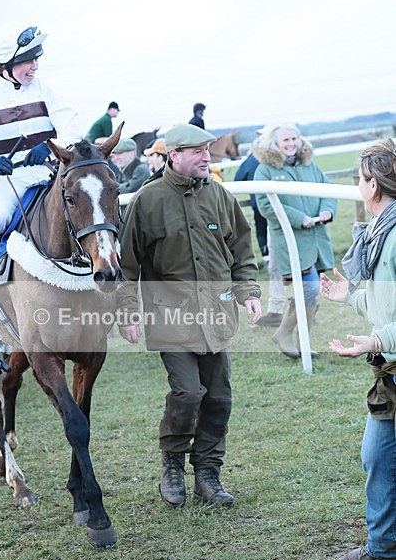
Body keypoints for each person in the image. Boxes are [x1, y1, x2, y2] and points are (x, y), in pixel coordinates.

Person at [117, 123, 261, 507]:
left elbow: (243, 249)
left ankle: (208, 474)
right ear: (173, 155)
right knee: (188, 392)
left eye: (208, 150)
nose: (206, 157)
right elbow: (128, 267)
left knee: (218, 397)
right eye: (197, 151)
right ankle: (173, 467)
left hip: (217, 315)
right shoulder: (146, 201)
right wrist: (127, 312)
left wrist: (248, 291)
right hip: (170, 318)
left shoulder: (219, 195)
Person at [0, 21, 82, 281]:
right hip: (10, 179)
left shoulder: (46, 90)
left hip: (50, 173)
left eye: (37, 58)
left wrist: (48, 148)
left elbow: (74, 129)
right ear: (6, 64)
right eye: (28, 60)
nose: (35, 66)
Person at [320, 138, 396, 560]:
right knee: (378, 455)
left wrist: (377, 340)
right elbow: (387, 306)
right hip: (389, 370)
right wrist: (350, 296)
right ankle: (384, 546)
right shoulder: (381, 235)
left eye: (363, 178)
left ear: (372, 185)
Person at [254, 123, 337, 358]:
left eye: (294, 139)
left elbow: (327, 189)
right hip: (291, 239)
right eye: (285, 140)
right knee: (309, 287)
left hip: (316, 236)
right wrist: (300, 218)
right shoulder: (265, 169)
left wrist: (327, 210)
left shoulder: (309, 164)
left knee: (309, 290)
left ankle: (296, 339)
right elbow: (265, 205)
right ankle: (290, 336)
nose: (291, 144)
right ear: (275, 143)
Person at [235, 131, 286, 327]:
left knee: (261, 233)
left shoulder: (251, 161)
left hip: (261, 206)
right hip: (277, 209)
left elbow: (239, 179)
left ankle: (265, 258)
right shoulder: (273, 161)